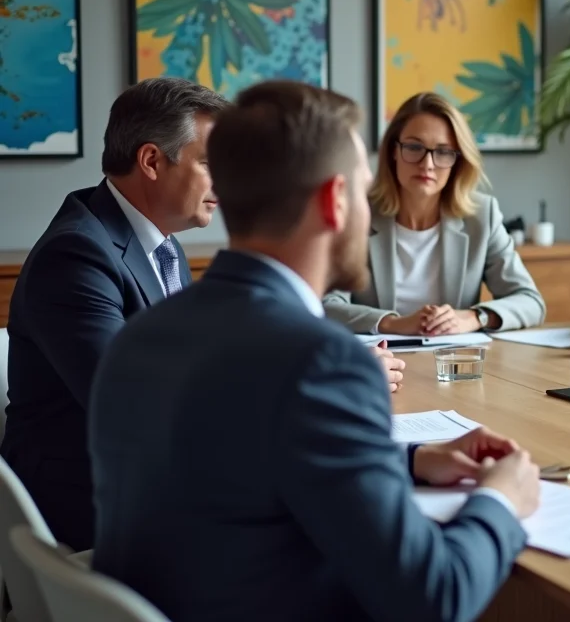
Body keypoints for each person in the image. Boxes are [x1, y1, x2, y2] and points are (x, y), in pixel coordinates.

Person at [90, 81, 541, 622]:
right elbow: (433, 600)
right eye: (364, 183)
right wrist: (502, 501)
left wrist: (411, 460)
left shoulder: (140, 334)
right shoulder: (324, 364)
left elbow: (243, 453)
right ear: (335, 200)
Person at [1, 77, 227, 551]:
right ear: (150, 161)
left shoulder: (162, 244)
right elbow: (135, 402)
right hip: (87, 514)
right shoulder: (77, 254)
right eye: (211, 163)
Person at [323, 92, 545, 336]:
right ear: (393, 151)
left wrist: (473, 317)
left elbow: (531, 301)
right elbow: (325, 305)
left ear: (457, 161)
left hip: (453, 365)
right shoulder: (359, 213)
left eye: (443, 152)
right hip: (382, 364)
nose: (427, 164)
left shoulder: (481, 216)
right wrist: (391, 323)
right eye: (414, 147)